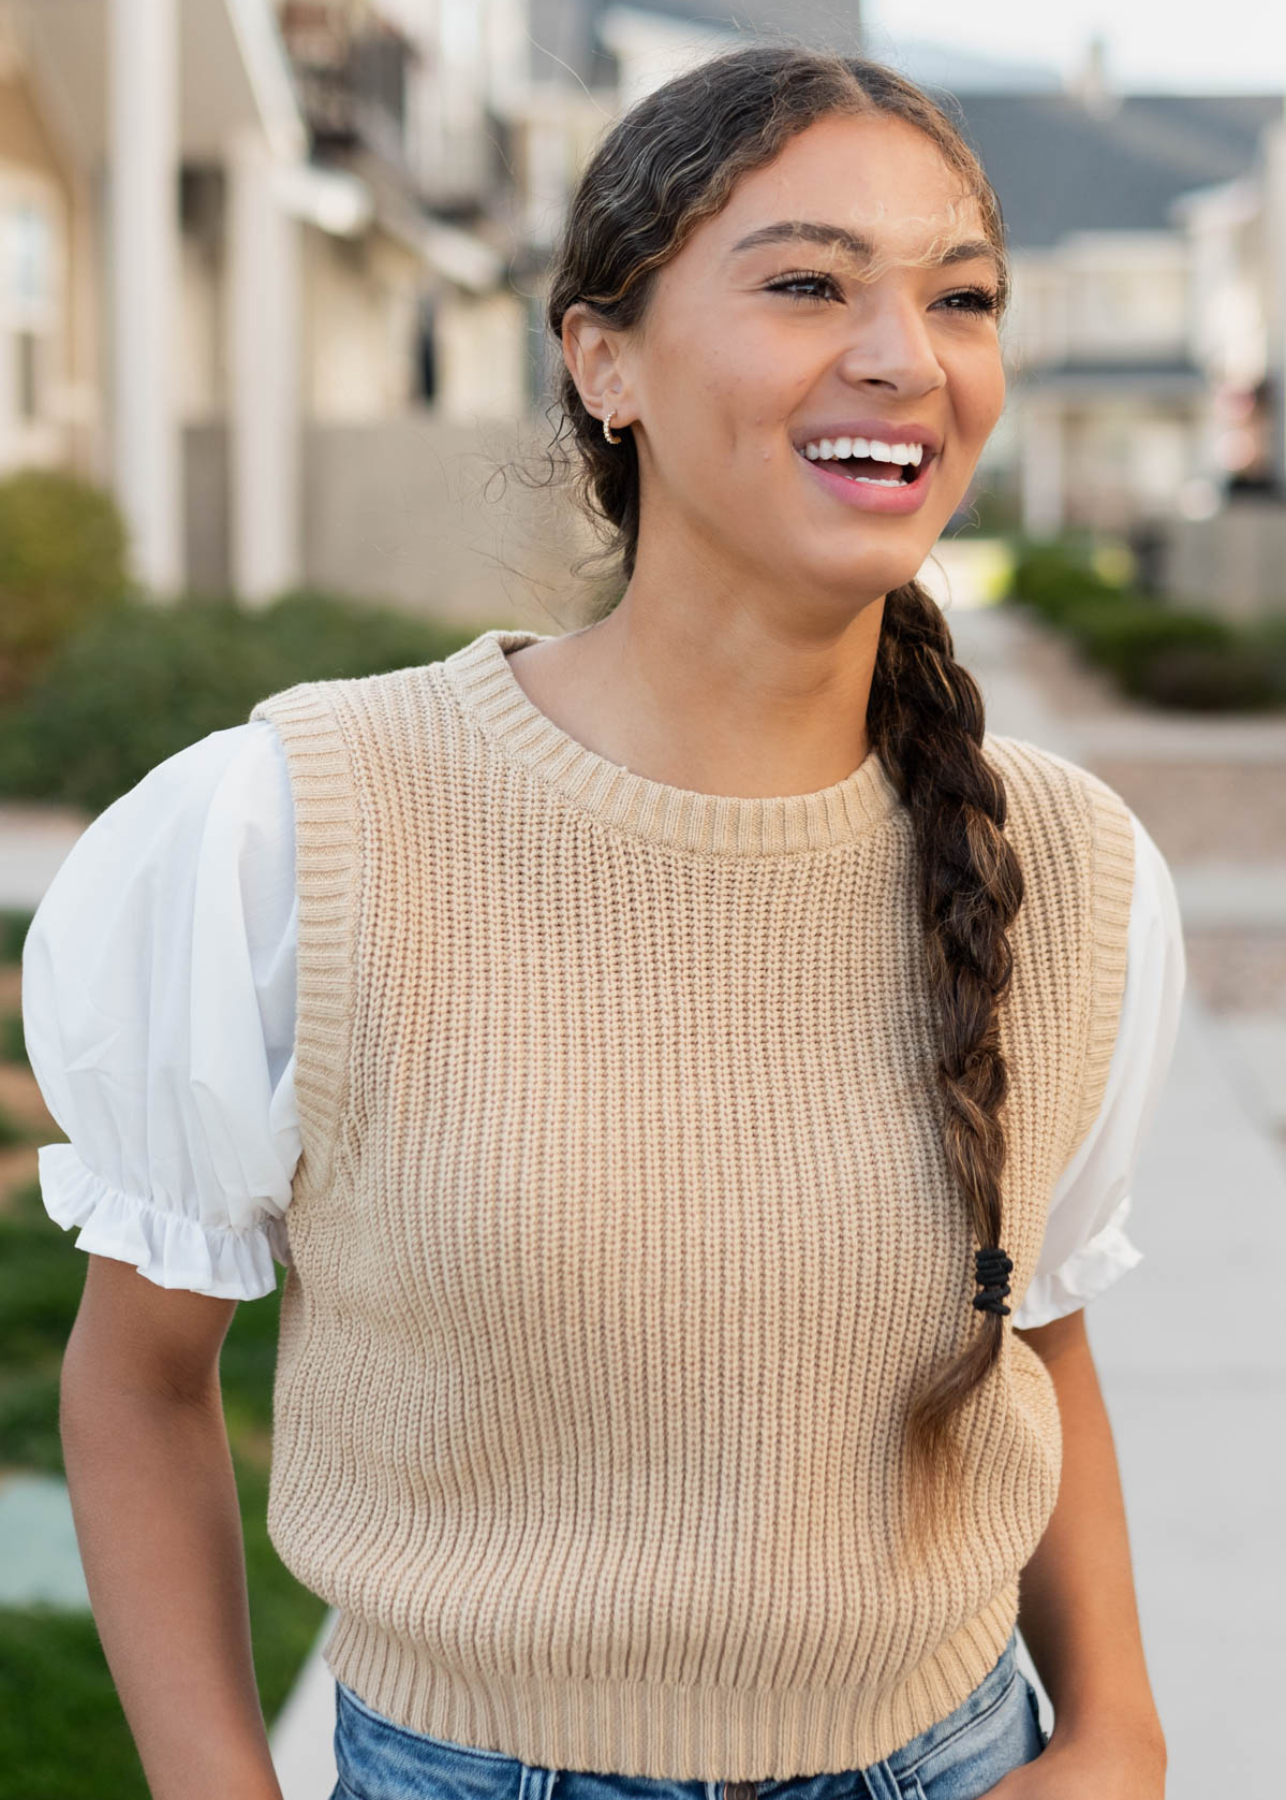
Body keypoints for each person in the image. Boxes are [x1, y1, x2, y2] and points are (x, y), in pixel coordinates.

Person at [21, 43, 1183, 1800]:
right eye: (805, 282)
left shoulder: (1066, 864)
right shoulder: (290, 833)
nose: (903, 356)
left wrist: (1118, 1739)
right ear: (602, 356)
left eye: (961, 298)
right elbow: (134, 1388)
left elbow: (1036, 1335)